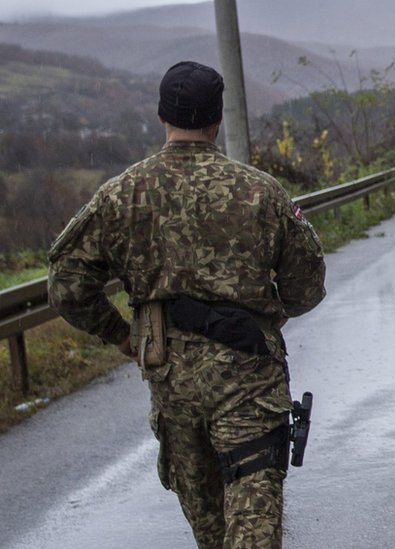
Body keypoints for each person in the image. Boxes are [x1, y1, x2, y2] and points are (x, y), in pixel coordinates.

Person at [48, 61, 327, 548]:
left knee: (211, 531)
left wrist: (119, 334)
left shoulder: (121, 195)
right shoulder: (261, 191)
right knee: (254, 523)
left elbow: (67, 283)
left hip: (173, 383)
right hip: (248, 379)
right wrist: (276, 309)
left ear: (162, 117)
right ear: (217, 120)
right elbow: (308, 284)